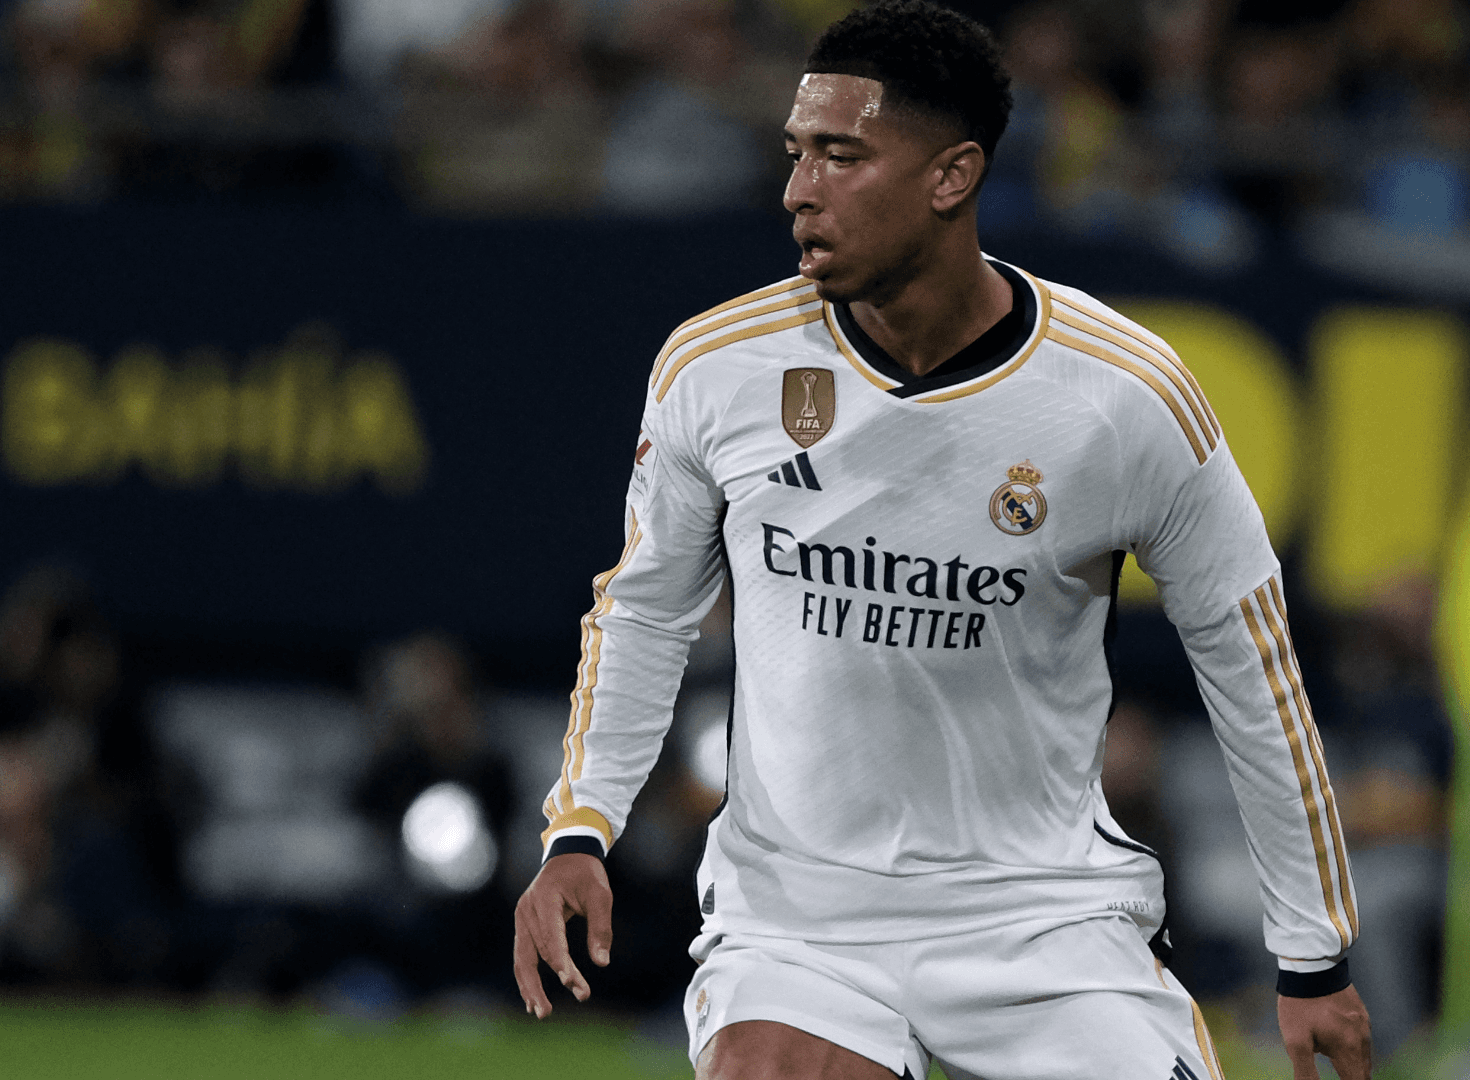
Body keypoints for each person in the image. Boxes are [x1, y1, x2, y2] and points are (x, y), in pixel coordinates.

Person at [511, 3, 1372, 1078]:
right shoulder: (718, 368)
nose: (798, 190)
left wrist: (1312, 955)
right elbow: (643, 610)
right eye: (795, 153)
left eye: (841, 156)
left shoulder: (1123, 396)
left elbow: (1253, 670)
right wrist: (582, 826)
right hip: (801, 925)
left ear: (952, 177)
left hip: (1045, 921)